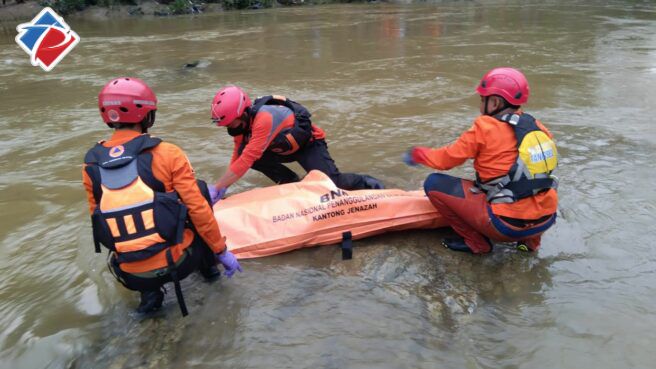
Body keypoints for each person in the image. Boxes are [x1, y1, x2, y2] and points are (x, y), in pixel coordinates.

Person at [82, 77, 242, 316]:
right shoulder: (167, 153)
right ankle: (210, 271)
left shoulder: (91, 165)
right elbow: (198, 210)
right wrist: (221, 251)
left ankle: (150, 296)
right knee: (197, 190)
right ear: (148, 115)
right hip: (178, 264)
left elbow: (100, 219)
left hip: (130, 274)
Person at [404, 67, 558, 254]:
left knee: (433, 183)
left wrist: (418, 154)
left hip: (506, 226)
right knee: (533, 185)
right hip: (546, 220)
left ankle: (476, 244)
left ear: (494, 102)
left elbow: (445, 160)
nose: (480, 105)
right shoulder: (538, 127)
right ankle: (530, 245)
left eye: (482, 100)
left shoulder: (484, 128)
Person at [207, 86, 384, 202]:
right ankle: (292, 184)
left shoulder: (263, 119)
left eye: (230, 123)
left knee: (333, 184)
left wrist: (218, 187)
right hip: (282, 149)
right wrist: (223, 188)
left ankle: (370, 184)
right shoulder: (241, 126)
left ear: (243, 114)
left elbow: (246, 159)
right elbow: (238, 155)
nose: (229, 127)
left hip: (308, 145)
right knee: (250, 156)